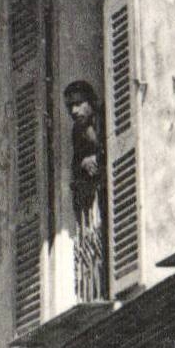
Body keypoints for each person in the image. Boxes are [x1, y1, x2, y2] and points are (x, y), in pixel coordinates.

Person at [63, 80, 107, 301]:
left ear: (91, 102)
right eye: (70, 106)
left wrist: (97, 159)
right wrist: (83, 164)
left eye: (78, 104)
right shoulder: (77, 131)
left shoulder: (105, 118)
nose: (74, 111)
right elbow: (76, 164)